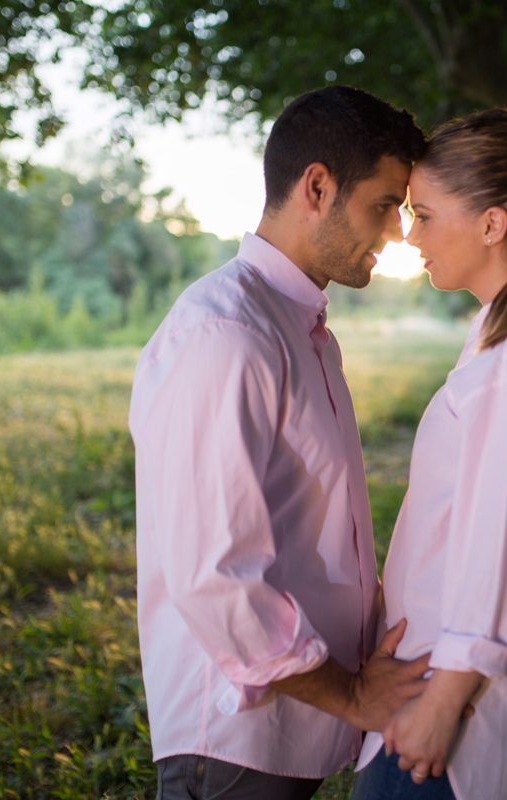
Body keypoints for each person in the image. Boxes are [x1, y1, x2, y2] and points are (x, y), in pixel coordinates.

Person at [129, 86, 430, 800]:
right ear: (318, 187)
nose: (395, 233)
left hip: (298, 727)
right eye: (385, 205)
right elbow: (214, 573)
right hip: (236, 742)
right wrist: (354, 698)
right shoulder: (226, 333)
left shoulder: (304, 331)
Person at [350, 109, 507, 800]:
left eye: (425, 215)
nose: (410, 235)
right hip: (425, 696)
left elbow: (506, 546)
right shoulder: (506, 332)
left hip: (456, 734)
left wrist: (441, 704)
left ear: (493, 224)